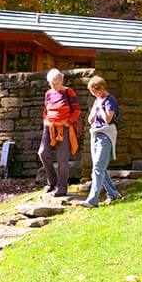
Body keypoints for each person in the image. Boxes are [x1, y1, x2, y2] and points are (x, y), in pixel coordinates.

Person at [80, 75, 122, 207]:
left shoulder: (110, 100)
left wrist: (100, 107)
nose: (93, 94)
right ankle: (114, 194)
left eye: (94, 91)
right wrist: (95, 107)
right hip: (95, 135)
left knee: (98, 168)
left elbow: (107, 119)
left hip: (106, 135)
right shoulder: (97, 100)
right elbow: (90, 120)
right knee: (99, 169)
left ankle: (92, 200)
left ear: (101, 88)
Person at [38, 68, 81, 197]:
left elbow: (77, 110)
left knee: (62, 159)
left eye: (56, 83)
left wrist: (69, 121)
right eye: (51, 83)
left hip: (65, 128)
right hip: (49, 127)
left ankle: (62, 188)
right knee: (42, 152)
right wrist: (45, 120)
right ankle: (52, 182)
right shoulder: (48, 93)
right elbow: (45, 110)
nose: (53, 86)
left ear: (61, 80)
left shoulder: (69, 92)